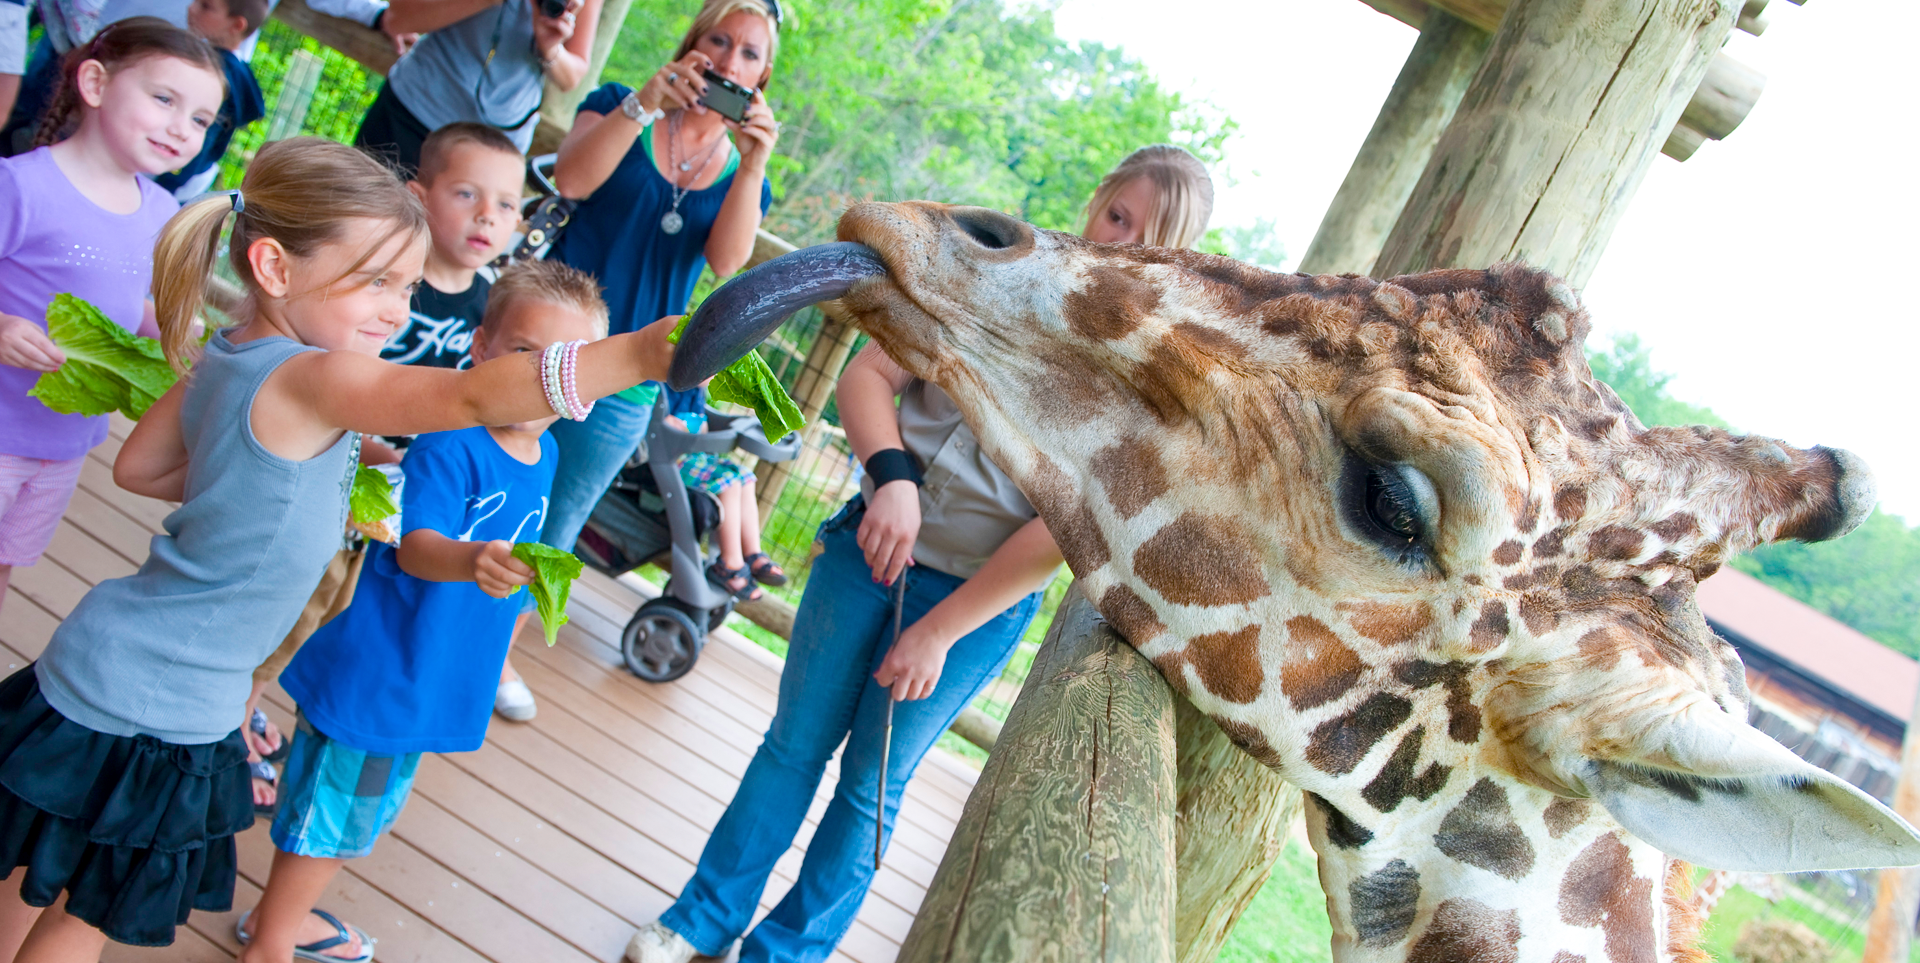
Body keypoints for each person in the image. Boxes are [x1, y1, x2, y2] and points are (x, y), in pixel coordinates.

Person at [0, 136, 675, 958]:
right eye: (378, 282)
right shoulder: (321, 376)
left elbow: (142, 468)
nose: (398, 308)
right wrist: (634, 354)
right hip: (164, 701)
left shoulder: (234, 350)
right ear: (277, 269)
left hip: (105, 655)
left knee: (34, 867)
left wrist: (287, 476)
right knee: (80, 912)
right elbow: (466, 393)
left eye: (406, 284)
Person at [624, 143, 1216, 963]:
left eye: (1144, 234)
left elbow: (1065, 528)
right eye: (1117, 214)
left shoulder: (1139, 381)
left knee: (871, 785)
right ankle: (698, 919)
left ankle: (785, 954)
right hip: (863, 551)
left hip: (974, 603)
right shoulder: (988, 278)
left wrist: (940, 630)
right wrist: (890, 474)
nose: (1118, 242)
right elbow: (867, 377)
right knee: (791, 747)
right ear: (1098, 201)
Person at [233, 260, 608, 963]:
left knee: (359, 811)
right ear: (480, 350)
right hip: (384, 664)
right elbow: (416, 547)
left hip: (433, 666)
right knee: (334, 812)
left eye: (563, 363)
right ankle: (272, 941)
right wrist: (472, 560)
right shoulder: (451, 437)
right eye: (524, 352)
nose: (538, 375)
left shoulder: (545, 451)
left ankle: (277, 918)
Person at [240, 120, 531, 815]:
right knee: (290, 597)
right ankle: (235, 709)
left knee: (340, 606)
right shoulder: (383, 282)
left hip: (401, 489)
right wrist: (366, 447)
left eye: (507, 203)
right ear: (418, 194)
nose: (487, 215)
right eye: (466, 193)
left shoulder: (490, 303)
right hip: (342, 462)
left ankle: (273, 712)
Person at [540, 0, 778, 562]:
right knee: (479, 483)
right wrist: (644, 103)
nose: (729, 62)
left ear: (760, 78)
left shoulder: (747, 178)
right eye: (720, 41)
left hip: (631, 372)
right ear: (695, 43)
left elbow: (726, 261)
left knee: (557, 529)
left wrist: (752, 165)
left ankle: (501, 644)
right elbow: (569, 180)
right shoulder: (617, 103)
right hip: (545, 335)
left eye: (749, 53)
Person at [0, 18, 220, 625]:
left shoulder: (159, 209)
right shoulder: (22, 186)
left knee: (6, 566)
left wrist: (176, 332)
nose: (183, 128)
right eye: (164, 99)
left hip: (64, 445)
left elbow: (127, 306)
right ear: (95, 83)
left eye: (201, 119)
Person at [355, 0, 602, 171]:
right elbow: (399, 19)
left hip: (493, 148)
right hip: (410, 113)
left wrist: (550, 48)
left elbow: (572, 76)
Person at [662, 384, 785, 600]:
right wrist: (683, 425)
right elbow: (667, 425)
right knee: (728, 482)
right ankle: (729, 565)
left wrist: (688, 425)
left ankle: (752, 554)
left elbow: (700, 427)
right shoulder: (664, 387)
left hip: (692, 455)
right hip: (668, 460)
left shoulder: (695, 392)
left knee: (745, 477)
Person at [154, 0, 265, 199]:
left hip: (175, 179)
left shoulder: (217, 75)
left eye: (206, 6)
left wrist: (166, 186)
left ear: (236, 25)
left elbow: (202, 138)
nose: (191, 7)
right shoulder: (237, 70)